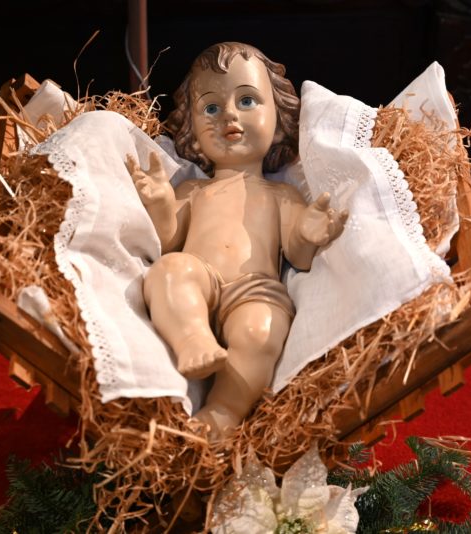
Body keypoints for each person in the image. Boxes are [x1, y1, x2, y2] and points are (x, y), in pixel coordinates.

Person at [125, 42, 348, 437]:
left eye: (246, 101)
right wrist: (160, 203)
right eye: (211, 108)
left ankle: (225, 410)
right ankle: (192, 339)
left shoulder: (282, 194)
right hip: (200, 274)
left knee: (261, 332)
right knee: (170, 271)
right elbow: (167, 242)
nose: (229, 114)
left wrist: (308, 232)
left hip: (255, 290)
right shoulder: (193, 189)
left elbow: (298, 256)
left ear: (278, 119)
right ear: (193, 132)